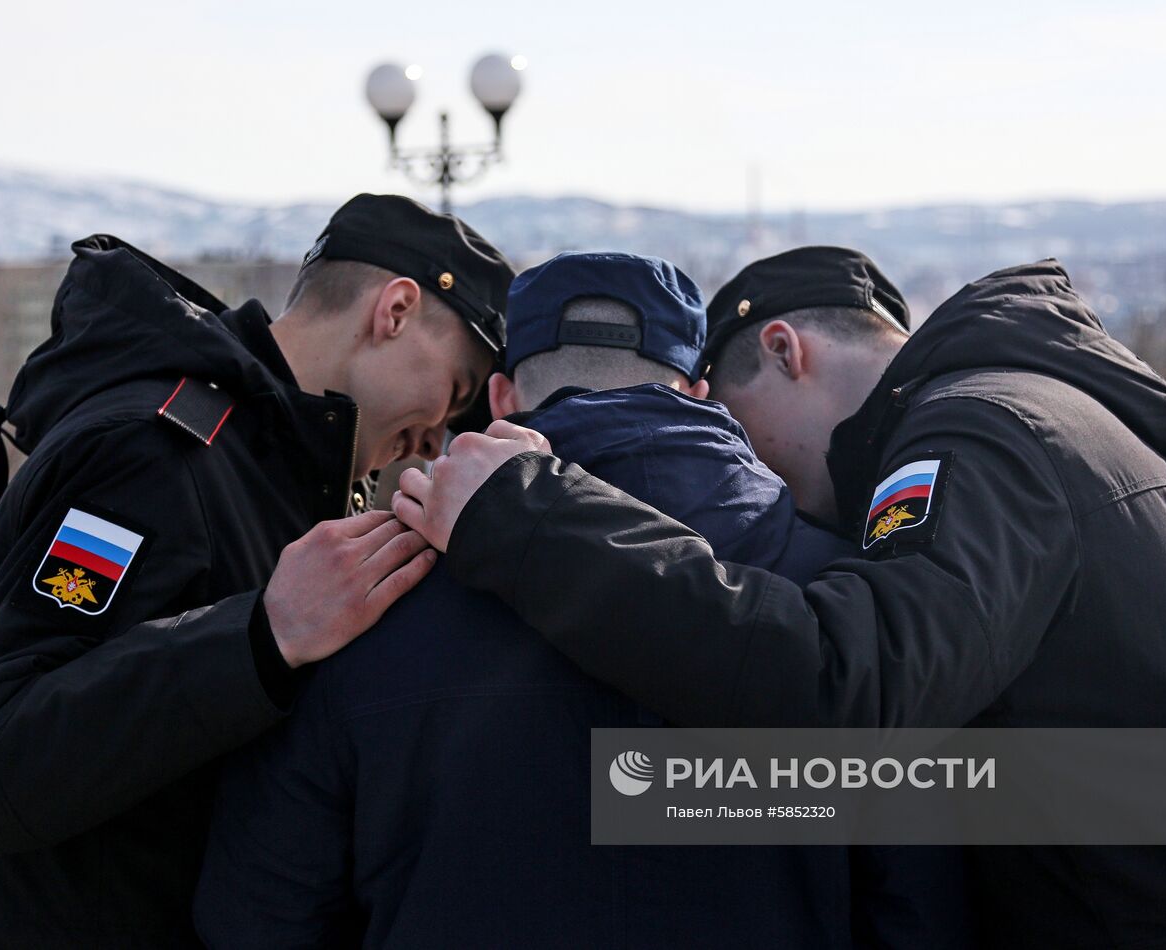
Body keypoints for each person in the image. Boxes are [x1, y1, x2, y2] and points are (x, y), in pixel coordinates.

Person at [394, 248, 1166, 948]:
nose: (756, 472)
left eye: (738, 429)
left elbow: (848, 695)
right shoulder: (1073, 423)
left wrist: (532, 514)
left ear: (785, 352)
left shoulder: (980, 433)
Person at [194, 251, 970, 949]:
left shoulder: (363, 594)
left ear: (499, 397)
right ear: (700, 393)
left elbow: (260, 912)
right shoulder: (843, 594)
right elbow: (918, 904)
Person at [0, 194, 514, 949]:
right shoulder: (149, 453)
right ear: (393, 311)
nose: (435, 441)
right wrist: (260, 639)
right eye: (454, 393)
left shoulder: (289, 474)